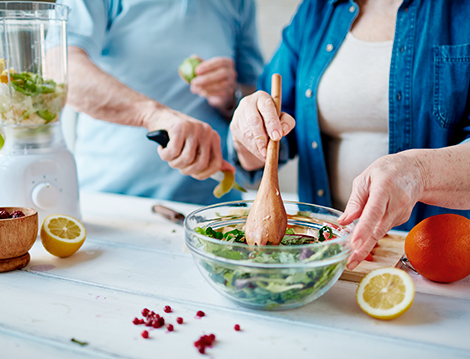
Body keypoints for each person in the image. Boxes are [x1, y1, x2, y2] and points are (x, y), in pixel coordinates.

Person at [229, 0, 470, 268]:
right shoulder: (317, 10)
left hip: (439, 264)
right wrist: (246, 137)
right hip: (321, 258)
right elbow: (266, 146)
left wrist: (419, 172)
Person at [58, 0, 264, 204]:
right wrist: (152, 115)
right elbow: (60, 67)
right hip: (112, 200)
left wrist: (230, 96)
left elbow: (256, 96)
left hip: (211, 206)